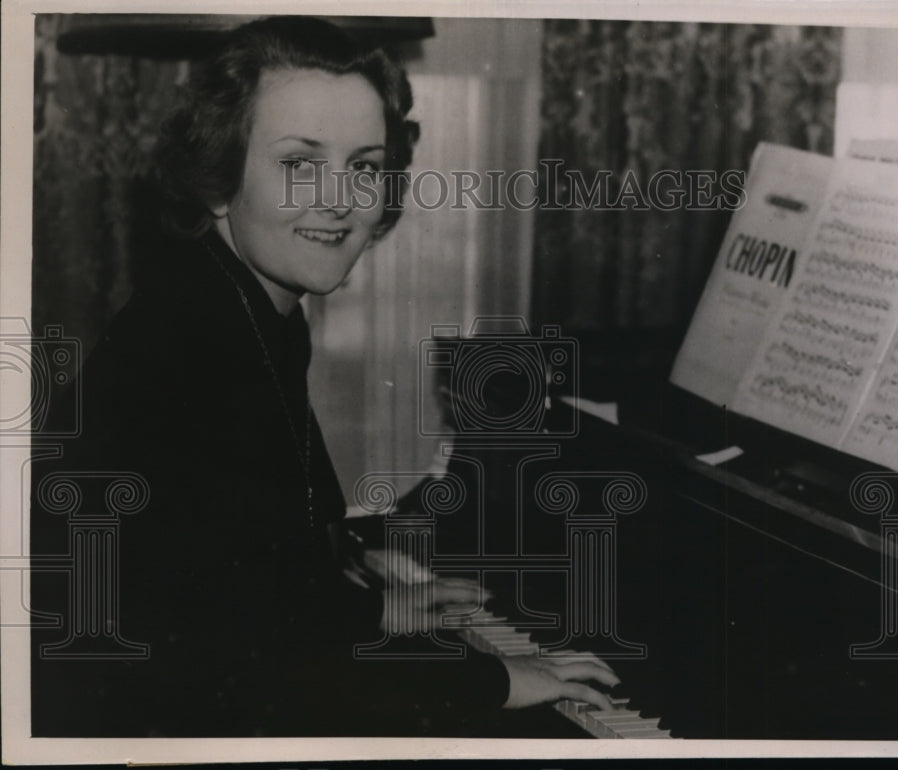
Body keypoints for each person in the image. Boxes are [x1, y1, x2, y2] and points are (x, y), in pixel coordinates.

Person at [31, 15, 618, 738]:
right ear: (219, 175)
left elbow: (243, 575)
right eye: (299, 164)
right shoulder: (193, 346)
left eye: (364, 166)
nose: (339, 199)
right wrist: (492, 680)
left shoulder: (241, 305)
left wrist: (370, 608)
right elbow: (249, 653)